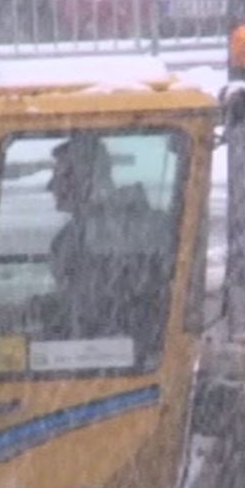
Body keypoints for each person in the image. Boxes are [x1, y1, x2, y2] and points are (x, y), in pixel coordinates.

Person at [43, 135, 171, 349]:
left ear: (86, 180)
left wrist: (38, 312)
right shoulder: (75, 234)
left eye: (61, 176)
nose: (51, 186)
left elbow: (97, 305)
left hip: (113, 352)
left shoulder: (130, 230)